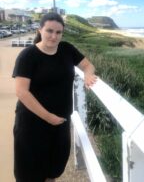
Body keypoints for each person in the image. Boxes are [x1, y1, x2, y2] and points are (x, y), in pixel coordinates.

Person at [12, 12, 97, 182]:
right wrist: (48, 117)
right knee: (30, 172)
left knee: (54, 169)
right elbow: (22, 92)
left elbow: (88, 65)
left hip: (60, 123)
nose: (54, 36)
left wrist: (88, 75)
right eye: (49, 31)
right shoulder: (28, 56)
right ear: (40, 30)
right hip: (32, 124)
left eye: (58, 32)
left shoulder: (67, 49)